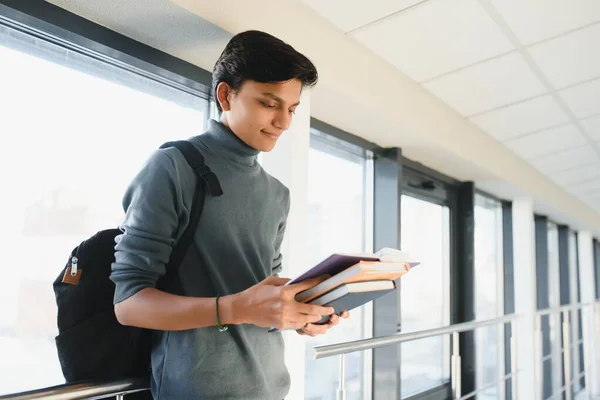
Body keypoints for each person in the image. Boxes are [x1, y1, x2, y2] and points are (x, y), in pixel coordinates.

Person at [110, 30, 348, 400]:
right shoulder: (173, 168)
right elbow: (129, 305)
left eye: (292, 108)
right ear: (226, 95)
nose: (284, 122)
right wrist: (237, 308)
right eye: (270, 104)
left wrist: (299, 314)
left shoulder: (276, 193)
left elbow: (262, 295)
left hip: (271, 388)